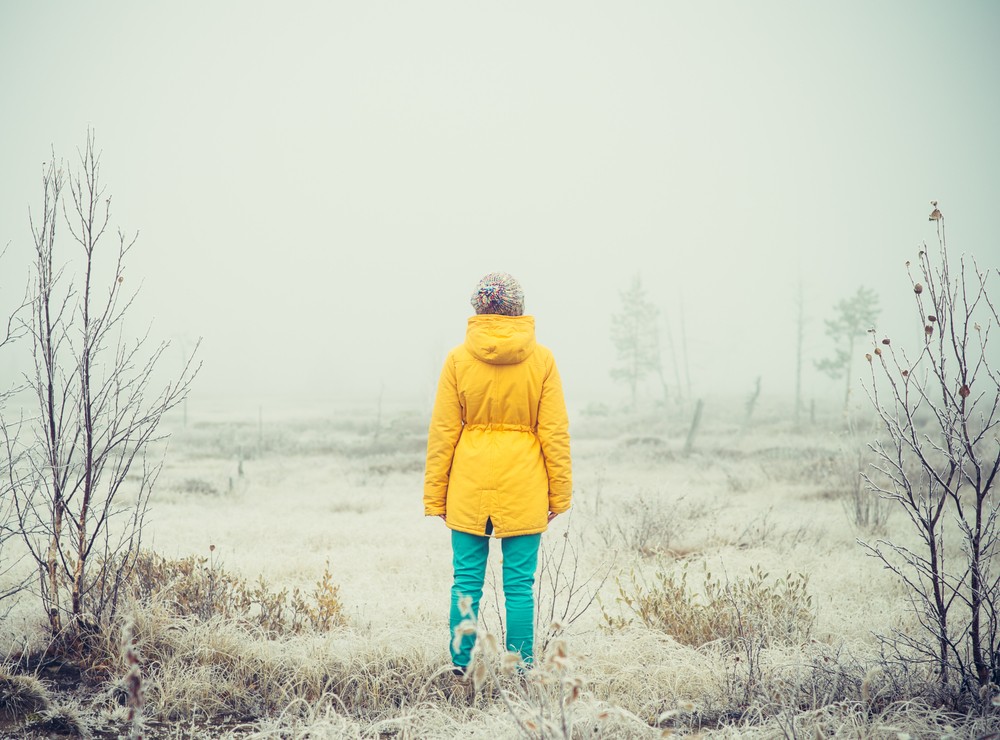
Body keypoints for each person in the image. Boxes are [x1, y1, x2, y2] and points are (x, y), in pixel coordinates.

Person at [424, 272, 572, 674]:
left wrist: (436, 496)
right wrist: (559, 496)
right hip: (524, 484)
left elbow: (443, 432)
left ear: (478, 307)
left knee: (465, 583)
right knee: (519, 586)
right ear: (518, 307)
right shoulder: (542, 360)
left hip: (469, 483)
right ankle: (520, 671)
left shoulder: (457, 359)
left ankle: (461, 669)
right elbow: (554, 433)